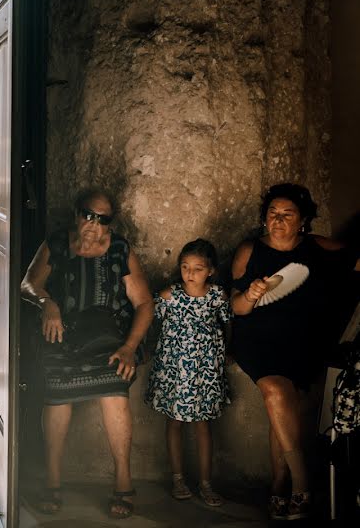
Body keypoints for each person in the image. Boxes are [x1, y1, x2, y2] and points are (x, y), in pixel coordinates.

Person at [21, 188, 153, 519]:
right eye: (87, 214)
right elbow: (27, 284)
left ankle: (123, 481)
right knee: (56, 392)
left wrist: (129, 347)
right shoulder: (57, 244)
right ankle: (53, 481)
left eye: (102, 218)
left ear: (110, 223)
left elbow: (144, 303)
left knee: (115, 387)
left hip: (110, 338)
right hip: (63, 334)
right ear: (77, 213)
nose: (93, 223)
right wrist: (46, 302)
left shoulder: (121, 250)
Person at [230, 183, 359, 520]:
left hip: (301, 342)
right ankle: (303, 484)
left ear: (303, 220)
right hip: (256, 340)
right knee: (274, 389)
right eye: (272, 213)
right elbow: (237, 309)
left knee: (282, 406)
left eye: (287, 214)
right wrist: (251, 295)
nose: (278, 219)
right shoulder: (250, 251)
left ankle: (278, 483)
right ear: (264, 218)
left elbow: (354, 262)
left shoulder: (317, 248)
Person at [144, 239, 231, 507]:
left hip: (205, 372)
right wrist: (146, 349)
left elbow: (228, 325)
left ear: (211, 270)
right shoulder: (171, 296)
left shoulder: (217, 296)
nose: (190, 273)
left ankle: (205, 483)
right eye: (185, 267)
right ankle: (178, 479)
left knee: (203, 424)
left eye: (197, 268)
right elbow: (148, 318)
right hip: (175, 369)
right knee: (174, 421)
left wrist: (226, 353)